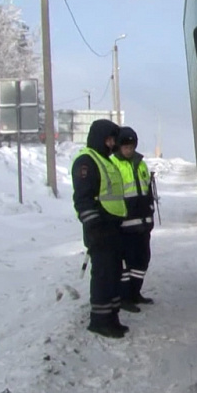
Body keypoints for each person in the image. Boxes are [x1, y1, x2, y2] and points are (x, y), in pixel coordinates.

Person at [71, 119, 129, 339]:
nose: (112, 143)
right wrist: (93, 225)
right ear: (100, 137)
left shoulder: (106, 160)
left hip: (113, 227)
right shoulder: (87, 161)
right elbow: (83, 198)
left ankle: (112, 317)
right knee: (103, 276)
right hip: (100, 229)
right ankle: (100, 321)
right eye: (110, 139)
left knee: (114, 274)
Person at [111, 126, 156, 312]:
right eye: (125, 146)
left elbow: (147, 190)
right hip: (125, 225)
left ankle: (136, 292)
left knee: (143, 259)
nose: (129, 150)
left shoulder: (141, 163)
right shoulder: (114, 165)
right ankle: (125, 297)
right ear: (119, 147)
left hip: (143, 223)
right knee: (127, 264)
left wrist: (150, 211)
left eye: (131, 146)